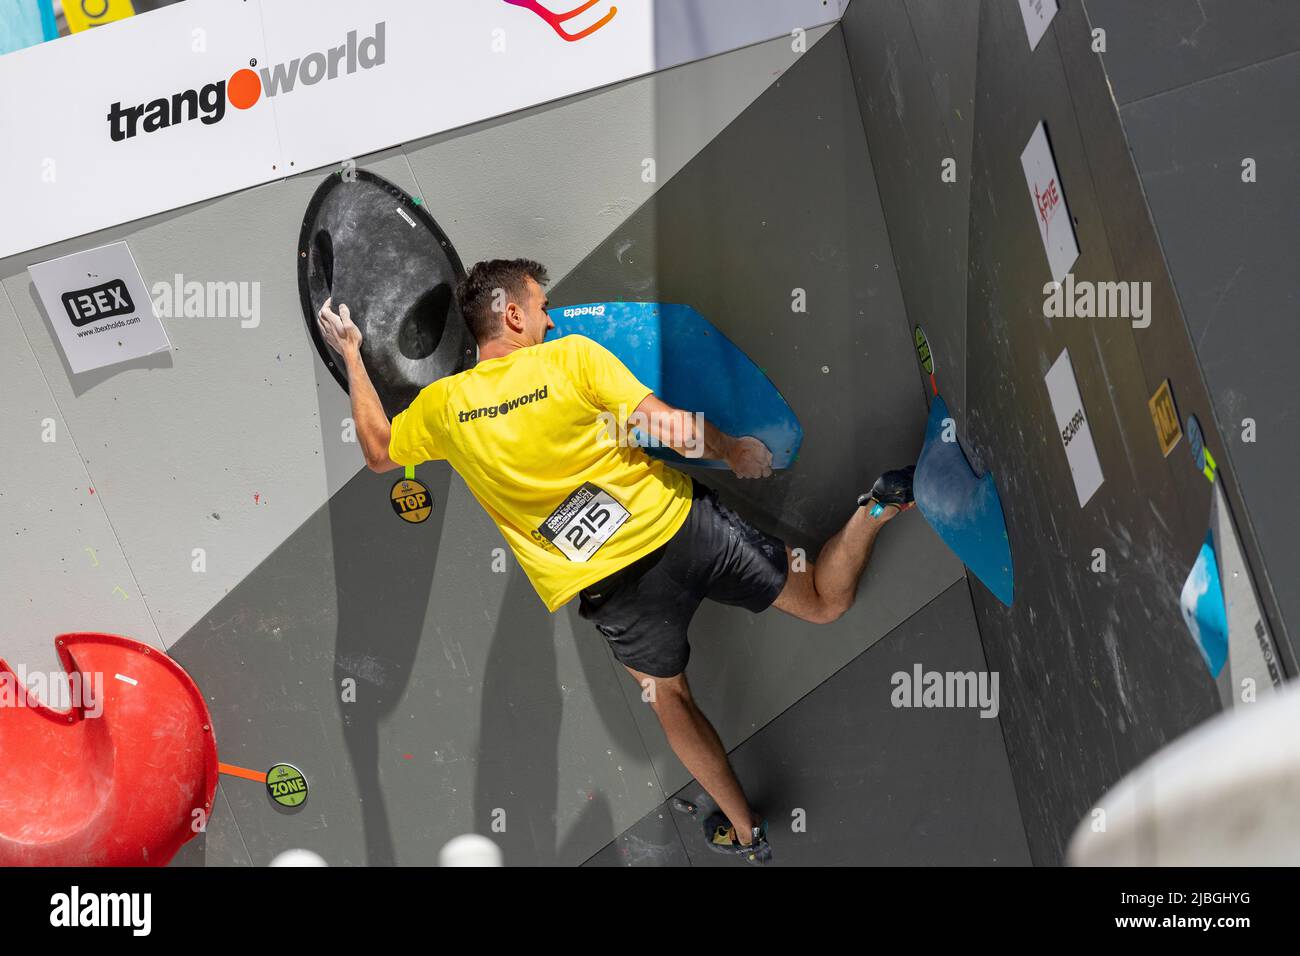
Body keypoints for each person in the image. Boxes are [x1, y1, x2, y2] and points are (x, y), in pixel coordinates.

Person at [317, 258, 914, 864]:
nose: (551, 322)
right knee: (821, 601)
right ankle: (874, 511)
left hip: (616, 592)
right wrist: (731, 449)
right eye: (543, 309)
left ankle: (744, 829)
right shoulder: (572, 359)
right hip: (685, 529)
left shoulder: (447, 408)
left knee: (670, 700)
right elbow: (667, 425)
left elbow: (377, 450)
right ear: (514, 314)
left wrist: (353, 357)